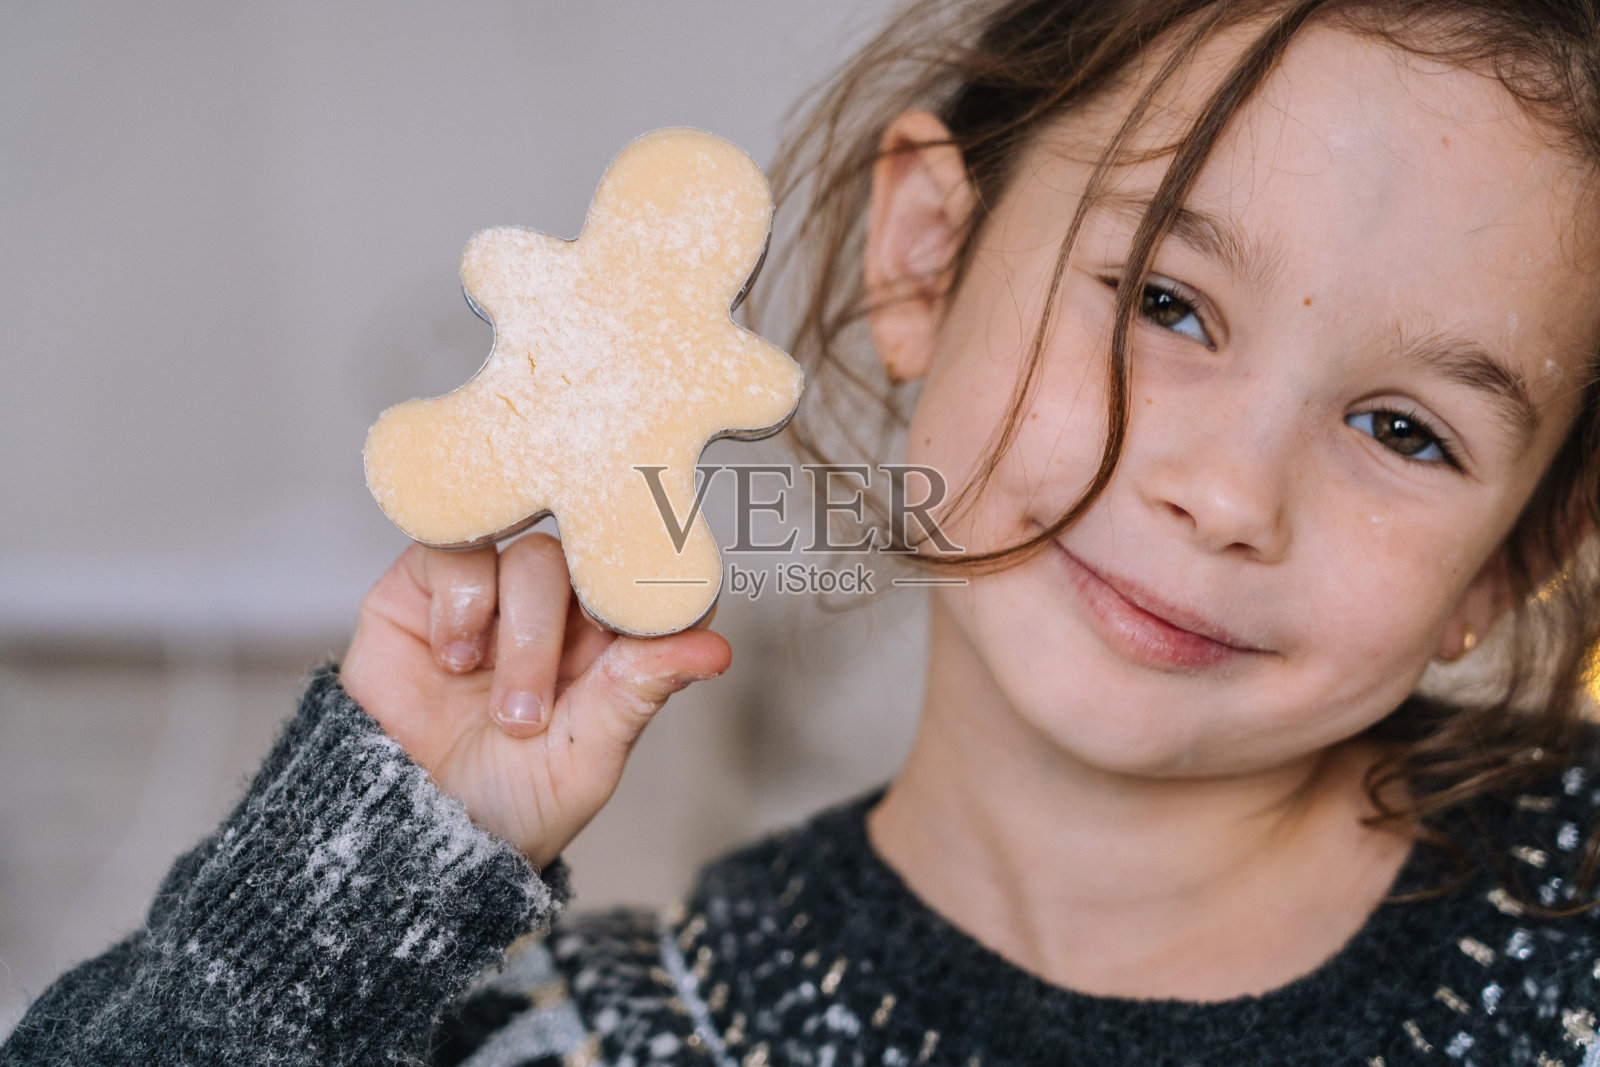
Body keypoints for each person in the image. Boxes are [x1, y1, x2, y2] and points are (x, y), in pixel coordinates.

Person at [9, 0, 1600, 1063]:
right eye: (1169, 305)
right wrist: (360, 873)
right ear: (925, 256)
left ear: (1518, 554)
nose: (1231, 497)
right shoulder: (615, 1038)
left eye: (1407, 431)